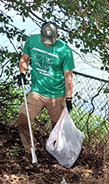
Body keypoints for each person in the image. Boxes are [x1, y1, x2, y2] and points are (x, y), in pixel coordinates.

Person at [16, 23, 75, 160]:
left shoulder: (64, 50)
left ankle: (54, 153)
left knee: (57, 129)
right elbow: (24, 59)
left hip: (57, 95)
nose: (48, 44)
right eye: (45, 41)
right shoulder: (32, 41)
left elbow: (68, 76)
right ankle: (29, 149)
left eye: (51, 42)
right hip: (37, 92)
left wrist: (68, 98)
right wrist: (22, 74)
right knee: (23, 118)